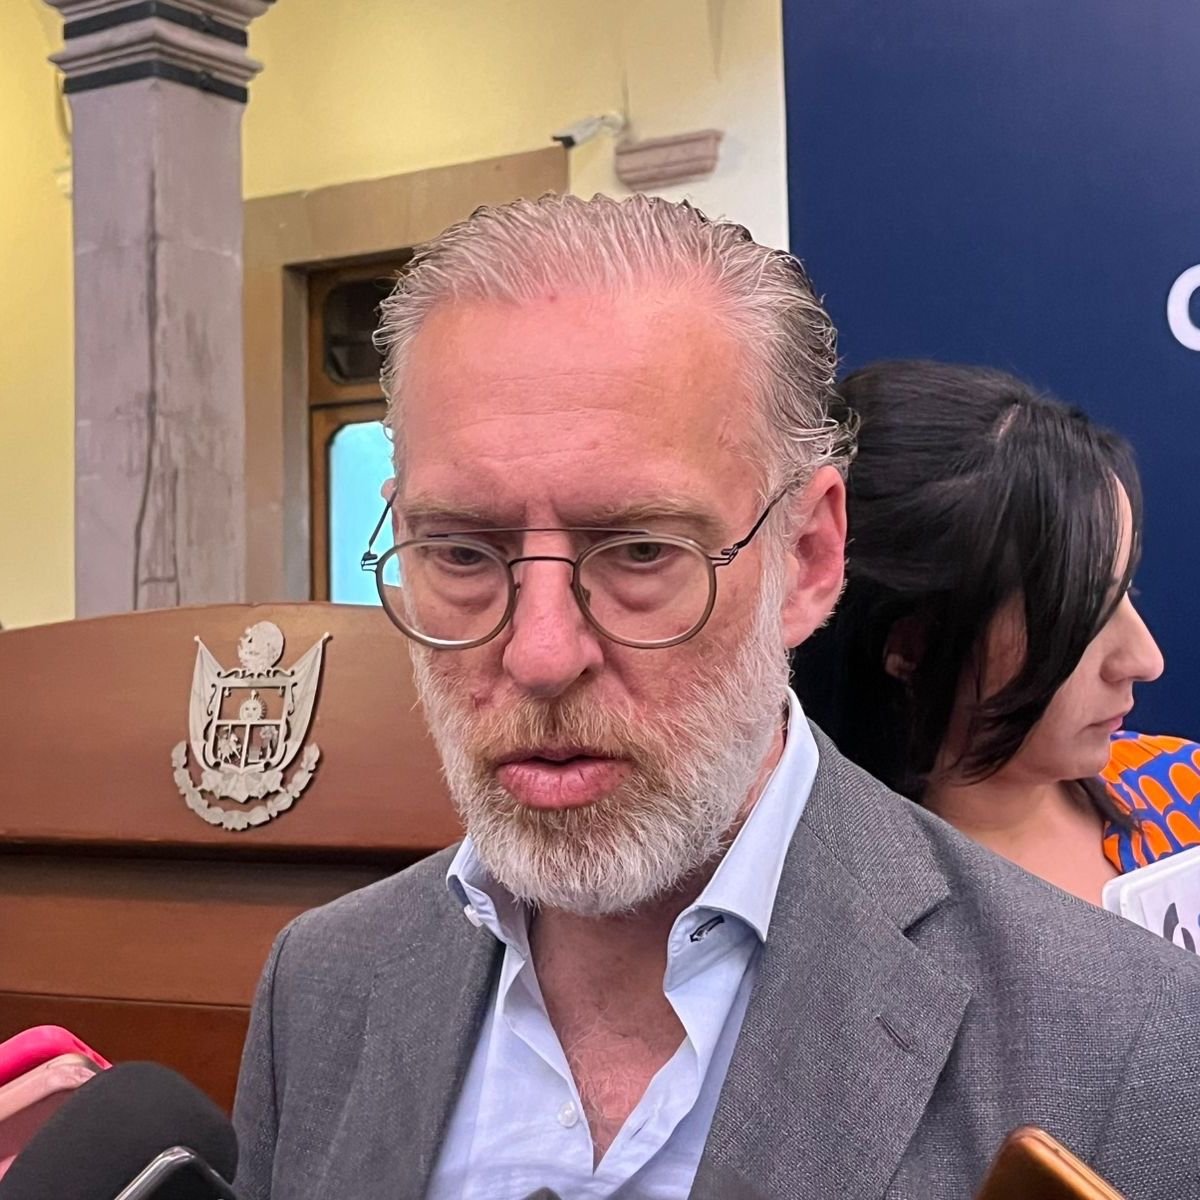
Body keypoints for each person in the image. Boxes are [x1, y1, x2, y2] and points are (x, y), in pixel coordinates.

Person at [233, 197, 1200, 1200]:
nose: (541, 653)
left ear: (810, 557)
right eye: (462, 553)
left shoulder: (1125, 1043)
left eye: (642, 551)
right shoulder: (322, 989)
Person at [790, 360, 1200, 904]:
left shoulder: (1184, 788)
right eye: (1079, 613)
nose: (1146, 659)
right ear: (911, 647)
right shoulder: (833, 916)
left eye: (1128, 589)